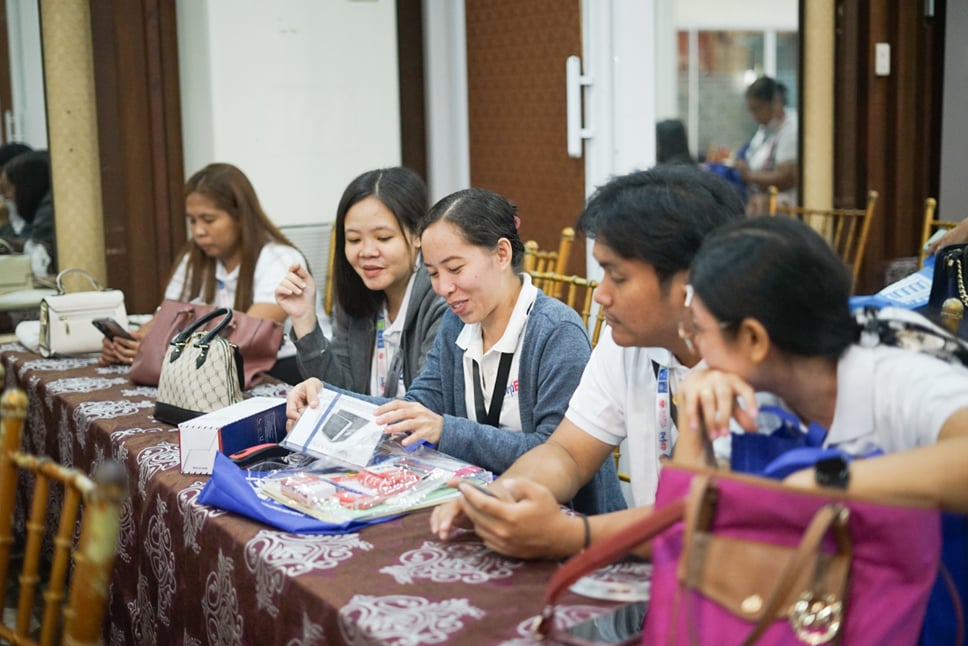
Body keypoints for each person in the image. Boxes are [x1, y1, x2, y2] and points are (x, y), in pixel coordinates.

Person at [428, 166, 745, 559]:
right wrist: (498, 496)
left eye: (618, 276)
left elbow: (711, 522)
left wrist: (571, 534)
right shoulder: (625, 344)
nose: (601, 295)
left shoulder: (754, 369)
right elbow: (568, 453)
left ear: (691, 279)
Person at [286, 187, 625, 515]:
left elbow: (556, 453)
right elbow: (414, 408)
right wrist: (327, 399)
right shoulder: (457, 322)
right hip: (483, 502)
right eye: (433, 273)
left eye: (456, 269)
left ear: (502, 254)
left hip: (564, 518)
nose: (444, 288)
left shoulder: (554, 332)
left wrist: (446, 430)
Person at [672, 215, 968, 513]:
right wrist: (692, 422)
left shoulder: (899, 374)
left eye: (697, 329)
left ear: (754, 340)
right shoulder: (758, 385)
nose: (692, 343)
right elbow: (680, 527)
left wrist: (825, 483)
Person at [99, 162, 308, 382]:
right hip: (214, 365)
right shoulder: (194, 259)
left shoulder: (279, 259)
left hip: (284, 368)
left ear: (240, 216)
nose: (198, 231)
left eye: (208, 220)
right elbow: (163, 318)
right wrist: (129, 344)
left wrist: (158, 349)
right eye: (192, 220)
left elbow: (248, 337)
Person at [275, 167, 446, 397]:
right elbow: (336, 389)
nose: (366, 251)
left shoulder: (442, 297)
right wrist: (304, 320)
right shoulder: (356, 292)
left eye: (383, 238)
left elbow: (423, 406)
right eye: (354, 239)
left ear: (417, 234)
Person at [735, 76, 798, 216]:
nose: (754, 116)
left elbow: (787, 177)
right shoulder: (765, 129)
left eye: (757, 109)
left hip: (783, 207)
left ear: (776, 102)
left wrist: (749, 175)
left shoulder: (791, 128)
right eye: (751, 110)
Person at [0, 149, 55, 277]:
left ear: (26, 185)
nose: (6, 197)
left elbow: (41, 258)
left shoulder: (48, 211)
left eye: (7, 189)